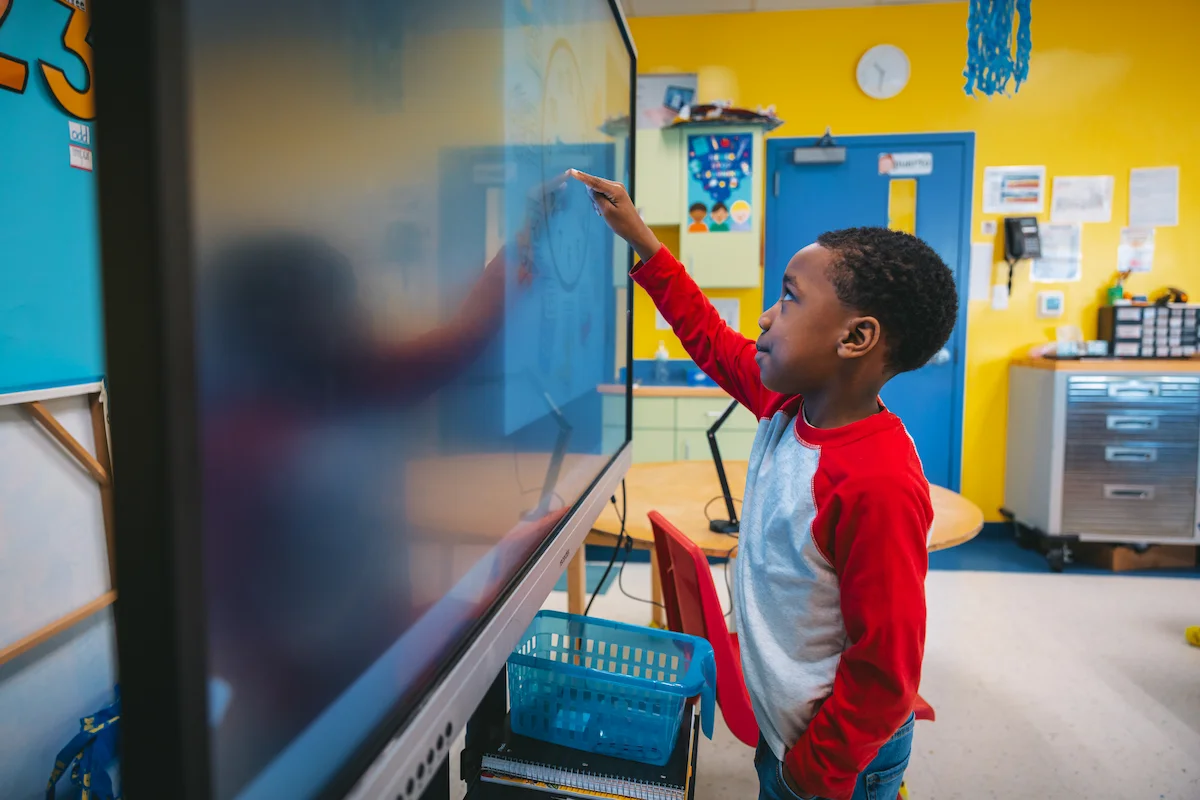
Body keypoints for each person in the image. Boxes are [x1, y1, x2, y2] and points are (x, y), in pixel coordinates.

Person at [570, 168, 958, 800]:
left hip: (834, 759)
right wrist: (644, 242)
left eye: (789, 298)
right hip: (789, 730)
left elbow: (886, 667)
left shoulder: (876, 482)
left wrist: (815, 771)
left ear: (856, 338)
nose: (765, 315)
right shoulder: (787, 402)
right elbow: (711, 340)